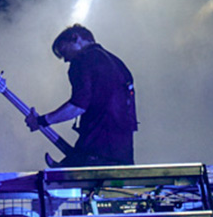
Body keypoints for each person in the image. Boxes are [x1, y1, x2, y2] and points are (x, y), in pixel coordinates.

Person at [26, 24, 137, 167]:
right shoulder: (118, 63)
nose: (65, 60)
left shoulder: (82, 60)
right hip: (123, 153)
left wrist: (42, 121)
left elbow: (79, 105)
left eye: (64, 51)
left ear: (75, 38)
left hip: (95, 152)